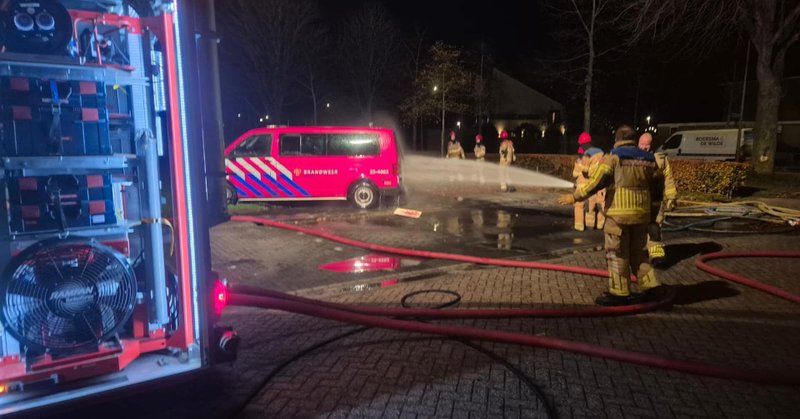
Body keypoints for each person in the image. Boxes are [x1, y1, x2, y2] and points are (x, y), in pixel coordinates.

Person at [558, 125, 665, 306]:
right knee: (639, 254)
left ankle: (619, 292)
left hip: (618, 216)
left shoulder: (613, 157)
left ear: (617, 140)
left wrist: (575, 196)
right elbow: (657, 192)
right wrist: (653, 217)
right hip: (642, 216)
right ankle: (652, 287)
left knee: (617, 254)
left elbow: (596, 182)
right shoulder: (650, 159)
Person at [638, 132, 677, 266]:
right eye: (642, 144)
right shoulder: (633, 158)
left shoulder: (661, 160)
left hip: (655, 200)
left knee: (654, 228)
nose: (644, 147)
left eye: (647, 145)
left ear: (651, 145)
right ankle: (637, 254)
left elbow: (669, 180)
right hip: (638, 201)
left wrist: (671, 198)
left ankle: (656, 256)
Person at [572, 132, 606, 231]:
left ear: (583, 144)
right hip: (598, 183)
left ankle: (579, 226)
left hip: (585, 184)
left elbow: (585, 170)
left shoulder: (587, 154)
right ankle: (597, 225)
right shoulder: (601, 153)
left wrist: (579, 165)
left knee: (579, 205)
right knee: (595, 205)